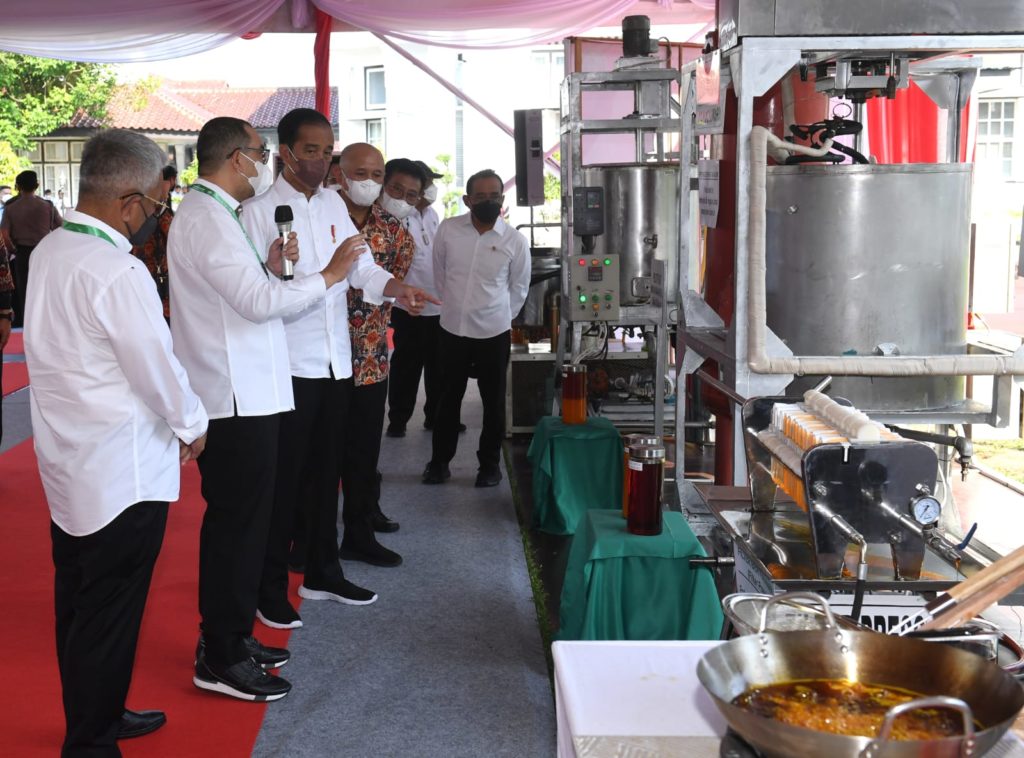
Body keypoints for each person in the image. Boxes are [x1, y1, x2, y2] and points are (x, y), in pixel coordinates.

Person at [24, 129, 209, 757]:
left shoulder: (51, 247)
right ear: (130, 202)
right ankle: (92, 743)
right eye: (155, 206)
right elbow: (154, 365)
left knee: (79, 607)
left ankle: (95, 714)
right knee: (107, 613)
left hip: (71, 461)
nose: (154, 218)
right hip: (121, 473)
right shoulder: (117, 269)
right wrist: (193, 424)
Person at [168, 116, 365, 702]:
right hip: (233, 396)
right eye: (259, 152)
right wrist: (327, 275)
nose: (264, 163)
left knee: (246, 524)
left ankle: (229, 636)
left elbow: (247, 291)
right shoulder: (206, 217)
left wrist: (277, 267)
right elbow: (254, 303)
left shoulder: (218, 215)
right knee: (236, 527)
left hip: (250, 388)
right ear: (236, 157)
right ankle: (220, 654)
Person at [241, 111, 435, 629]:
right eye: (310, 150)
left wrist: (399, 289)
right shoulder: (258, 212)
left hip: (336, 361)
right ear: (286, 152)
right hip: (290, 364)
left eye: (326, 150)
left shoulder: (331, 204)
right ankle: (268, 586)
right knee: (286, 482)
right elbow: (261, 291)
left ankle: (323, 571)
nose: (320, 160)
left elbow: (363, 266)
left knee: (328, 475)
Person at [335, 148, 423, 566]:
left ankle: (359, 528)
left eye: (375, 173)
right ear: (342, 173)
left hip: (370, 355)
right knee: (316, 452)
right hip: (319, 357)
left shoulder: (395, 231)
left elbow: (393, 283)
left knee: (363, 449)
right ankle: (305, 537)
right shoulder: (320, 214)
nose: (367, 182)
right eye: (361, 173)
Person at [423, 169, 530, 488]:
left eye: (494, 196)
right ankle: (439, 463)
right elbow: (439, 272)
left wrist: (499, 316)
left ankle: (489, 466)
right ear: (468, 200)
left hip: (493, 333)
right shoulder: (449, 230)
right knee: (447, 401)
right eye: (480, 196)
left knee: (493, 402)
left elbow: (519, 287)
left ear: (502, 199)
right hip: (452, 329)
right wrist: (454, 305)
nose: (488, 201)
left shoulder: (514, 240)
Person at [386, 160, 459, 437]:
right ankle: (398, 419)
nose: (432, 189)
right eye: (427, 184)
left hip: (438, 303)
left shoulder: (432, 215)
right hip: (408, 305)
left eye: (431, 183)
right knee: (407, 364)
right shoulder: (399, 217)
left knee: (438, 366)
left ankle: (436, 416)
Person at [0, 170, 61, 326]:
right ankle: (47, 325)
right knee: (46, 290)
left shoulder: (11, 207)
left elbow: (4, 235)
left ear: (18, 186)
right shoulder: (47, 206)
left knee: (25, 292)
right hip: (45, 252)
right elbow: (61, 227)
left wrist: (13, 249)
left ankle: (28, 325)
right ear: (37, 185)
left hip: (22, 253)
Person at [132, 164, 177, 320]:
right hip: (156, 269)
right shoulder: (157, 207)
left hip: (140, 263)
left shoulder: (138, 203)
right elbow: (172, 234)